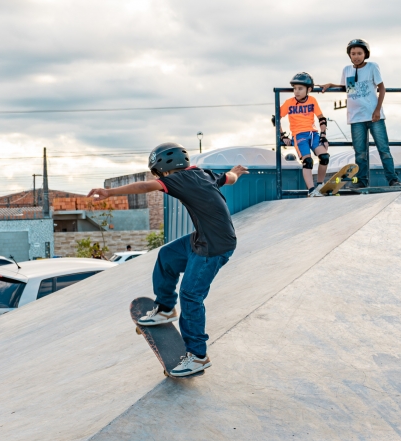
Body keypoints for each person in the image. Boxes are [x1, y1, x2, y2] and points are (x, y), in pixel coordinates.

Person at [88, 143, 247, 377]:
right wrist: (236, 171)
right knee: (167, 256)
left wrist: (109, 193)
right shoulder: (203, 173)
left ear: (162, 170)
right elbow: (229, 178)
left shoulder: (177, 179)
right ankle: (165, 308)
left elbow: (145, 186)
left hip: (213, 247)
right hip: (204, 238)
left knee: (191, 295)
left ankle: (197, 357)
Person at [320, 39, 401, 188]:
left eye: (359, 53)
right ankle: (362, 182)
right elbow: (350, 89)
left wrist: (377, 110)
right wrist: (332, 84)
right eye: (353, 54)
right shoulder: (347, 70)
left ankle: (393, 179)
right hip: (356, 118)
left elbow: (382, 89)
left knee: (384, 150)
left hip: (374, 116)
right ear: (349, 55)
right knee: (360, 153)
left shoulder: (372, 67)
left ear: (365, 54)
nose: (356, 56)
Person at [279, 72, 330, 192]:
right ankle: (311, 189)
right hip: (299, 135)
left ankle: (320, 185)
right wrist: (282, 136)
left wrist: (323, 136)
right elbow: (275, 119)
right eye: (295, 88)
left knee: (324, 157)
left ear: (309, 89)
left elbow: (321, 118)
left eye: (300, 88)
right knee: (307, 161)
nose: (296, 91)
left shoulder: (312, 100)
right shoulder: (289, 102)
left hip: (313, 134)